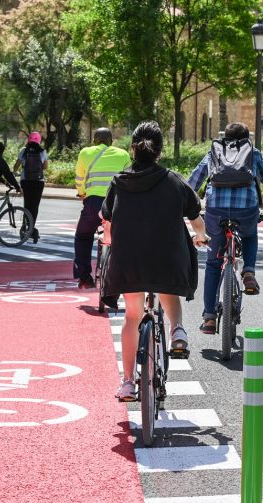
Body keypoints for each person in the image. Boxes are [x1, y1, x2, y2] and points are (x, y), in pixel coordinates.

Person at [101, 121, 208, 401]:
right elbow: (195, 217)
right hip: (167, 260)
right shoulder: (174, 180)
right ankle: (178, 330)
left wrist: (108, 239)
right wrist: (201, 236)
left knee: (132, 316)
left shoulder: (119, 182)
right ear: (160, 150)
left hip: (129, 262)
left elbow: (108, 223)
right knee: (166, 283)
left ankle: (128, 383)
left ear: (132, 148)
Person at [187, 122, 263, 335]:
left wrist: (189, 209)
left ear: (224, 137)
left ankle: (209, 318)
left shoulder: (213, 152)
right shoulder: (253, 153)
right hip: (246, 208)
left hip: (216, 210)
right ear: (247, 139)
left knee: (213, 264)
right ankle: (248, 271)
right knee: (250, 234)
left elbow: (192, 183)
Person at [73, 127, 130, 289]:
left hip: (93, 204)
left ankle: (85, 277)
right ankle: (123, 274)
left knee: (83, 236)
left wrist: (82, 192)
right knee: (122, 237)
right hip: (117, 204)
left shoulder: (85, 153)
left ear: (94, 141)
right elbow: (129, 178)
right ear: (111, 141)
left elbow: (79, 178)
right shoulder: (123, 154)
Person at [13, 131, 48, 243]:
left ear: (29, 140)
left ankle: (24, 226)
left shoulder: (24, 151)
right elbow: (45, 167)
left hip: (25, 181)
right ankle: (31, 228)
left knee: (27, 205)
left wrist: (16, 173)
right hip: (38, 182)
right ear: (39, 141)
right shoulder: (42, 152)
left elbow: (16, 166)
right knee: (35, 206)